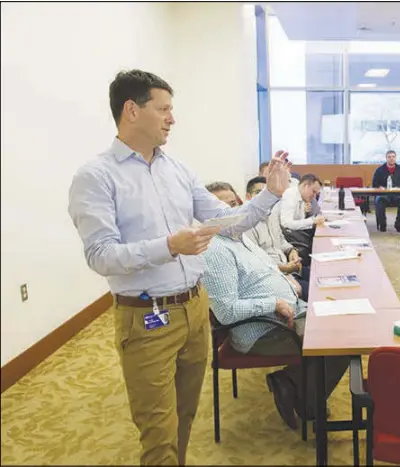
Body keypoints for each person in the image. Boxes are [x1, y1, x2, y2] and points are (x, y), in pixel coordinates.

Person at [67, 69, 291, 465]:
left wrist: (271, 195)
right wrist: (169, 246)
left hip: (193, 309)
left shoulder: (177, 169)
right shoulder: (96, 176)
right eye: (164, 109)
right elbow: (100, 255)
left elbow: (229, 221)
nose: (173, 118)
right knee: (158, 431)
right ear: (132, 110)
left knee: (185, 417)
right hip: (146, 318)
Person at [202, 232, 350, 431]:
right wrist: (272, 303)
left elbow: (269, 270)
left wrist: (286, 280)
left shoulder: (242, 239)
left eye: (236, 203)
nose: (235, 209)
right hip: (263, 331)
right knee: (342, 341)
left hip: (289, 314)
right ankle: (302, 397)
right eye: (227, 205)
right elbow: (227, 312)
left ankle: (293, 384)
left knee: (344, 324)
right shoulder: (215, 251)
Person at [245, 176, 309, 299]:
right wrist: (284, 268)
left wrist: (292, 251)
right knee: (315, 293)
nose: (263, 198)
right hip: (272, 277)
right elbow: (255, 264)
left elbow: (281, 241)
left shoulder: (272, 214)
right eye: (258, 193)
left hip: (287, 266)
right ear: (248, 196)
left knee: (320, 278)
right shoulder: (246, 225)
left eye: (267, 193)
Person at [371, 150, 400, 232]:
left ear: (395, 158)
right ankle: (382, 224)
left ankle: (398, 223)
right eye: (389, 157)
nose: (391, 159)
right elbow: (374, 184)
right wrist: (379, 187)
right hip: (384, 195)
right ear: (386, 158)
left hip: (397, 195)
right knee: (379, 201)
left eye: (393, 157)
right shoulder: (379, 170)